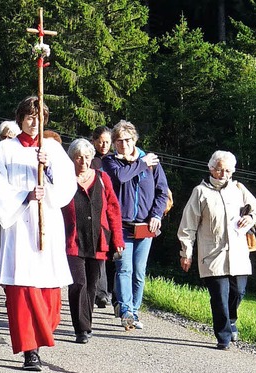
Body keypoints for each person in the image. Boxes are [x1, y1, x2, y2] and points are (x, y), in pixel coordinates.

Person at [0, 96, 76, 371]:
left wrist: (48, 168)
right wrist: (24, 195)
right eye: (29, 116)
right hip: (20, 227)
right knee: (24, 287)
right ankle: (30, 351)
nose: (34, 122)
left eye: (39, 117)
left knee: (48, 287)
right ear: (20, 119)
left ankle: (44, 334)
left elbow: (66, 187)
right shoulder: (4, 149)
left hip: (47, 223)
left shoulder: (52, 148)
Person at [178, 150, 256, 350]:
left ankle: (231, 319)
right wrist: (186, 253)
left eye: (227, 170)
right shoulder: (200, 192)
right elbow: (187, 226)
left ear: (232, 171)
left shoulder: (239, 189)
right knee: (219, 296)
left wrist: (250, 218)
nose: (223, 173)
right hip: (212, 255)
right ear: (211, 168)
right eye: (219, 169)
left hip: (239, 253)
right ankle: (223, 336)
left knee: (239, 292)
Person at [102, 120, 168, 330]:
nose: (123, 144)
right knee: (124, 269)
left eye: (128, 140)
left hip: (145, 226)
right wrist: (141, 163)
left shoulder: (152, 162)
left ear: (135, 140)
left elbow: (162, 191)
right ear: (113, 143)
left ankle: (135, 311)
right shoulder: (111, 162)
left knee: (139, 272)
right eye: (119, 141)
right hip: (121, 226)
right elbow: (121, 178)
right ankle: (126, 311)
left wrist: (156, 215)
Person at [62, 139, 124, 344]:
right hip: (72, 240)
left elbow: (113, 210)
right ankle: (81, 328)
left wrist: (117, 239)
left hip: (99, 241)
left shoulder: (102, 178)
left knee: (92, 285)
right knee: (78, 283)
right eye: (79, 157)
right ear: (72, 159)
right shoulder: (64, 180)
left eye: (87, 157)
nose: (83, 161)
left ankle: (86, 322)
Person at [90, 125, 113, 308]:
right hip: (96, 211)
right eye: (100, 142)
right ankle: (101, 292)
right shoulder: (91, 161)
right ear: (94, 141)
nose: (104, 145)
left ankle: (111, 292)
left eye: (107, 142)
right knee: (100, 252)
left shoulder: (114, 160)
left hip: (112, 210)